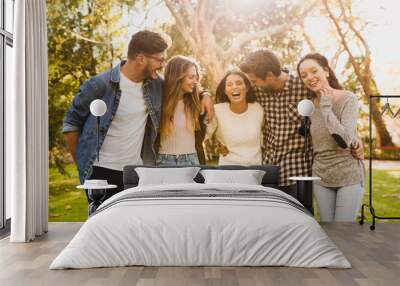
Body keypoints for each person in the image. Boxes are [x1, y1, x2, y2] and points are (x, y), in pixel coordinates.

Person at [63, 31, 213, 203]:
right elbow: (71, 124)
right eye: (159, 60)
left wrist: (205, 94)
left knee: (132, 224)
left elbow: (180, 86)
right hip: (101, 171)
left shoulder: (155, 86)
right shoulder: (99, 85)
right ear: (141, 59)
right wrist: (82, 166)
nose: (163, 65)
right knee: (102, 222)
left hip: (135, 172)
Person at [239, 50, 363, 202]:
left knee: (303, 220)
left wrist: (355, 138)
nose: (252, 84)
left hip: (299, 171)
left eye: (255, 81)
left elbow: (338, 107)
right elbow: (230, 92)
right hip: (270, 171)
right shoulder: (258, 91)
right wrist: (204, 93)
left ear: (270, 76)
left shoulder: (305, 86)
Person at [297, 53, 364, 222]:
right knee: (328, 231)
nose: (310, 78)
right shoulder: (309, 106)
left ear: (326, 71)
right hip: (321, 177)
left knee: (343, 233)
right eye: (304, 75)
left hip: (348, 176)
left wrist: (326, 107)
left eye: (314, 71)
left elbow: (345, 141)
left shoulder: (348, 98)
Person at [205, 70, 263, 165]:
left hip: (255, 171)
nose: (234, 87)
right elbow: (202, 135)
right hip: (228, 170)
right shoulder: (217, 111)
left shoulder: (258, 109)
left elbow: (264, 136)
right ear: (225, 91)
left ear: (247, 88)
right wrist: (216, 146)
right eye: (229, 84)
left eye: (239, 83)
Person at [157, 55, 206, 165]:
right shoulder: (158, 101)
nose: (195, 81)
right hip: (163, 161)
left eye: (196, 77)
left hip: (191, 161)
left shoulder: (197, 102)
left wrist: (206, 94)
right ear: (177, 76)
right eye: (191, 77)